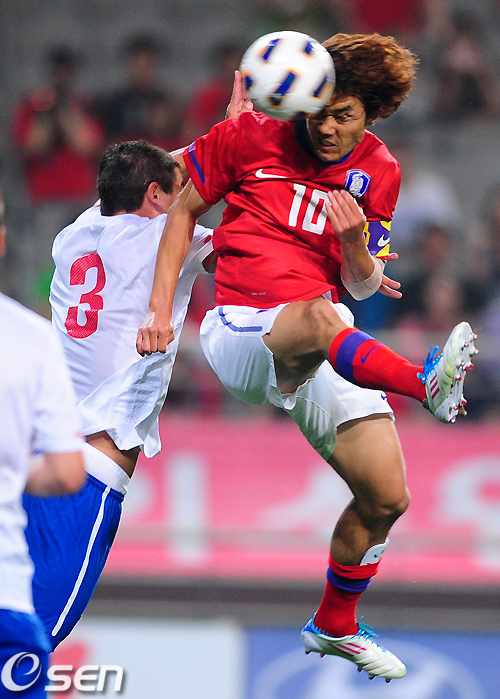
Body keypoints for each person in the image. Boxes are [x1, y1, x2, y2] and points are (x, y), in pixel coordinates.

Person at [137, 34, 477, 682]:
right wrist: (159, 312)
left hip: (320, 338)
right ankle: (424, 383)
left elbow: (361, 285)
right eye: (318, 112)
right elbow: (180, 211)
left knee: (387, 495)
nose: (326, 127)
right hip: (241, 329)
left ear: (371, 114)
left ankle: (334, 623)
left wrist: (355, 246)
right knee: (323, 318)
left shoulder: (380, 171)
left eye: (343, 116)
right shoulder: (250, 135)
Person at [22, 140, 216, 651]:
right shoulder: (170, 237)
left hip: (38, 457)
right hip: (88, 478)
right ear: (155, 195)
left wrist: (220, 132)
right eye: (173, 192)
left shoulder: (73, 235)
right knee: (30, 644)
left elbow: (134, 178)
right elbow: (244, 251)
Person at [0, 196, 86, 696]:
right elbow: (68, 472)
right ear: (2, 241)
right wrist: (12, 473)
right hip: (6, 597)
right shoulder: (33, 338)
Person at [10, 46, 104, 312]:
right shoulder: (33, 106)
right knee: (45, 262)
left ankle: (81, 312)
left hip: (81, 198)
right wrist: (45, 114)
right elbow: (33, 146)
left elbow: (87, 144)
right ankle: (44, 312)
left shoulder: (83, 105)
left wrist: (65, 111)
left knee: (84, 260)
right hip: (46, 200)